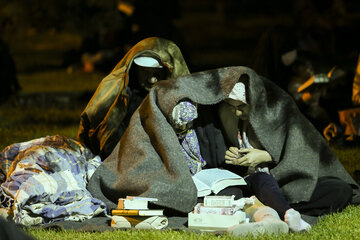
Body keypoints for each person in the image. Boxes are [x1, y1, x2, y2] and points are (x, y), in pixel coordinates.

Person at [86, 66, 360, 230]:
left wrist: (263, 155)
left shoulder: (271, 113)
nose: (241, 114)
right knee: (230, 194)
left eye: (244, 109)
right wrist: (239, 163)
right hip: (246, 184)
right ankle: (276, 213)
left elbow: (298, 150)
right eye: (235, 108)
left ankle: (278, 211)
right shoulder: (216, 121)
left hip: (282, 180)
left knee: (338, 190)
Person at [77, 37, 190, 159]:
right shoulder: (117, 93)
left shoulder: (183, 100)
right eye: (145, 72)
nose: (152, 79)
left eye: (158, 72)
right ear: (135, 69)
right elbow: (92, 128)